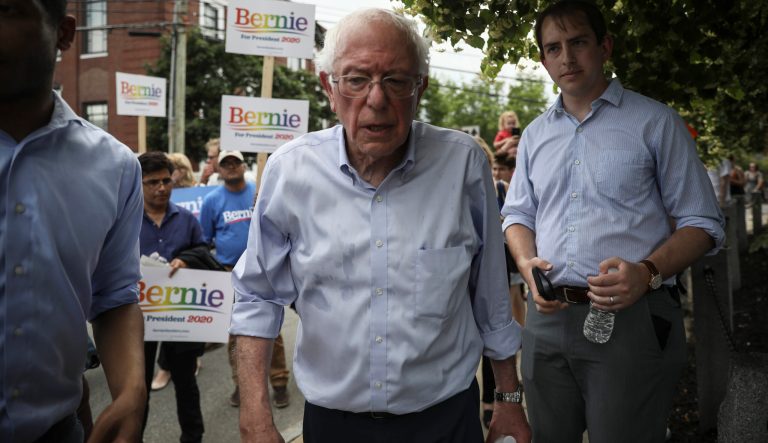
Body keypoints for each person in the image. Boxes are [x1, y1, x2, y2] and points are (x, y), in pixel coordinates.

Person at [231, 9, 530, 443]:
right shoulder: (289, 172)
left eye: (396, 80)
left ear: (420, 87)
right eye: (356, 80)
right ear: (328, 88)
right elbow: (257, 295)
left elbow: (489, 296)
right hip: (334, 425)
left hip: (446, 420)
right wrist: (255, 416)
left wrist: (508, 399)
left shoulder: (462, 164)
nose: (376, 100)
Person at [501, 2, 725, 441]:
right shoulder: (534, 135)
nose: (567, 57)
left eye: (578, 42)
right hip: (547, 321)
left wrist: (648, 272)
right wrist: (527, 265)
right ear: (544, 59)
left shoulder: (655, 122)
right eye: (553, 48)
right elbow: (517, 214)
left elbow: (703, 223)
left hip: (632, 319)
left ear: (604, 46)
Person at [0, 1, 146, 441]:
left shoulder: (116, 167)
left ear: (63, 33)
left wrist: (131, 390)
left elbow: (115, 297)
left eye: (8, 10)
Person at [199, 150, 290, 410]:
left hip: (263, 271)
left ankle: (279, 382)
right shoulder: (212, 200)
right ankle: (242, 383)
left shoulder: (259, 191)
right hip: (228, 273)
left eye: (235, 162)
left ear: (243, 165)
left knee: (272, 330)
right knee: (236, 333)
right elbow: (205, 240)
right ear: (219, 168)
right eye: (225, 163)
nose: (231, 167)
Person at [138, 152, 206, 442]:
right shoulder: (125, 222)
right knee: (135, 388)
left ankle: (192, 437)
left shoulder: (187, 219)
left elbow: (203, 252)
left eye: (166, 180)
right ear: (138, 185)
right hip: (137, 318)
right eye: (152, 182)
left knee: (186, 383)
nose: (161, 188)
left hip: (180, 315)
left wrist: (186, 260)